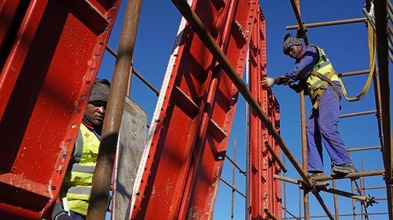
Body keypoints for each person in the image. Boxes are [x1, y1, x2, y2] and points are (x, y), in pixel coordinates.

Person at [262, 33, 357, 185]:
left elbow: (300, 71)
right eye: (288, 53)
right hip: (320, 98)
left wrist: (276, 80)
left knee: (326, 126)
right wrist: (293, 84)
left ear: (298, 45)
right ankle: (317, 172)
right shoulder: (306, 63)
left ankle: (344, 163)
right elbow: (303, 83)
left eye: (291, 50)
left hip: (329, 91)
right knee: (311, 130)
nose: (291, 54)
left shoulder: (311, 51)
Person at [52, 78, 111, 220]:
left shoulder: (106, 136)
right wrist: (57, 213)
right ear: (85, 104)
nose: (101, 110)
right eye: (96, 104)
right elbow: (51, 176)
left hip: (97, 213)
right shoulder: (74, 132)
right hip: (70, 212)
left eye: (105, 106)